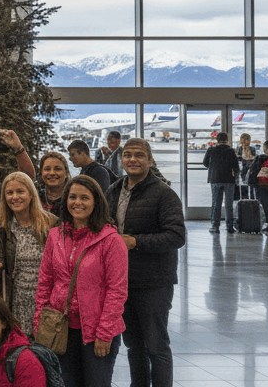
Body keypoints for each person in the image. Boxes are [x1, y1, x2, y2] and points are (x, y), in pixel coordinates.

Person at [105, 138, 186, 387]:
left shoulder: (164, 194)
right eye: (127, 155)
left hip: (154, 283)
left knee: (156, 345)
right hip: (122, 282)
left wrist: (135, 242)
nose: (132, 159)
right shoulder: (114, 190)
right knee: (133, 345)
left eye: (139, 155)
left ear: (150, 160)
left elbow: (176, 236)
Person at [34, 175, 127, 387]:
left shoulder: (111, 240)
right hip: (61, 328)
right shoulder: (55, 236)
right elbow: (45, 281)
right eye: (73, 197)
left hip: (97, 332)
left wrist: (105, 332)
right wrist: (39, 320)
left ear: (96, 202)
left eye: (85, 198)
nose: (78, 203)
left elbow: (117, 290)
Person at [0, 172, 57, 339]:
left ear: (31, 194)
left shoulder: (51, 223)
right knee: (21, 347)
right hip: (17, 298)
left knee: (46, 347)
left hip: (48, 299)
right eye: (9, 193)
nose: (14, 197)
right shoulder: (0, 226)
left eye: (20, 191)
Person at [202, 132, 239, 234]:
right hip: (229, 180)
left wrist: (213, 167)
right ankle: (229, 226)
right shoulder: (231, 151)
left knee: (216, 203)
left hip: (215, 179)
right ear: (227, 140)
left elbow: (205, 163)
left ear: (217, 140)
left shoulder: (211, 150)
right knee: (229, 204)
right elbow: (236, 166)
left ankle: (215, 226)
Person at [246, 140, 268, 234]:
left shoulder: (260, 158)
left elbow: (253, 172)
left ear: (265, 149)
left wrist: (251, 184)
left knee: (265, 204)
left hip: (262, 185)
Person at [36, 152, 70, 217]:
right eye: (47, 169)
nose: (52, 173)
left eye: (57, 169)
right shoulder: (35, 194)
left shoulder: (73, 197)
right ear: (41, 173)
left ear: (66, 173)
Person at [236, 133, 258, 200]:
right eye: (242, 141)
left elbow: (254, 159)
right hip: (243, 170)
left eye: (245, 141)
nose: (244, 143)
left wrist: (249, 155)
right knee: (243, 186)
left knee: (251, 187)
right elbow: (237, 159)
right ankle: (244, 200)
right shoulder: (239, 149)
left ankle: (252, 200)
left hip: (251, 170)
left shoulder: (252, 149)